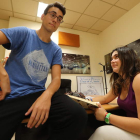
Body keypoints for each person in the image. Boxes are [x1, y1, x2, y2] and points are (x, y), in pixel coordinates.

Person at [0, 2, 87, 140]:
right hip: (12, 95)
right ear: (42, 16)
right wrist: (2, 72)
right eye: (53, 15)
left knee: (77, 114)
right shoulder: (24, 33)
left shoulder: (56, 50)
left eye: (59, 19)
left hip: (37, 94)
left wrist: (46, 96)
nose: (55, 20)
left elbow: (57, 79)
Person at [89, 46, 140, 140]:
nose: (112, 61)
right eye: (112, 58)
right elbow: (105, 98)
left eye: (116, 57)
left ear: (127, 58)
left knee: (102, 131)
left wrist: (106, 116)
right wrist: (85, 101)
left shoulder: (138, 79)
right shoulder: (120, 82)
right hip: (133, 129)